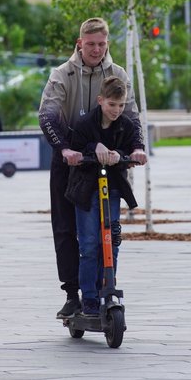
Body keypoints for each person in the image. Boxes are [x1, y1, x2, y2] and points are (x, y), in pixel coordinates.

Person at [38, 17, 147, 318]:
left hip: (108, 160)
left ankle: (104, 287)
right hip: (71, 157)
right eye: (90, 44)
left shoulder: (118, 74)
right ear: (80, 43)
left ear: (107, 44)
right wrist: (64, 148)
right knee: (66, 228)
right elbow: (47, 115)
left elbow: (133, 116)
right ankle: (74, 294)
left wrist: (137, 148)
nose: (96, 50)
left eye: (101, 44)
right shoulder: (62, 74)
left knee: (109, 231)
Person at [64, 76, 138, 316]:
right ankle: (90, 297)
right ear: (100, 101)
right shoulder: (86, 123)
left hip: (112, 188)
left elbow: (134, 145)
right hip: (87, 189)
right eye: (111, 105)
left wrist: (125, 154)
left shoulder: (125, 125)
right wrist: (92, 147)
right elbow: (76, 146)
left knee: (111, 241)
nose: (116, 110)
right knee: (89, 244)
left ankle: (108, 288)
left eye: (120, 105)